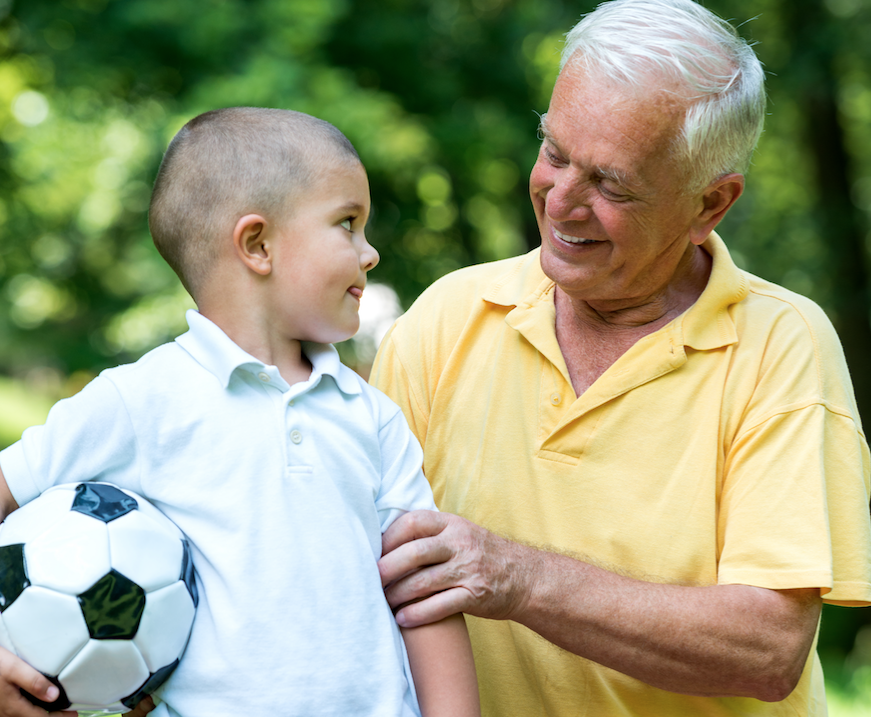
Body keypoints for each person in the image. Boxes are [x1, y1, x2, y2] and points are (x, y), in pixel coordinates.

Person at [371, 0, 871, 715]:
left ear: (709, 205)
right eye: (553, 152)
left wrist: (516, 577)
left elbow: (767, 649)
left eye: (611, 184)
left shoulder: (779, 345)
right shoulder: (450, 316)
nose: (561, 200)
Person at [0, 107, 479, 717]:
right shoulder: (141, 399)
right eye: (348, 224)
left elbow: (425, 593)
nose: (371, 252)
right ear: (258, 245)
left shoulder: (373, 418)